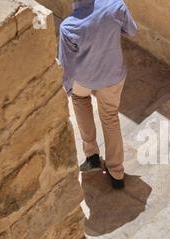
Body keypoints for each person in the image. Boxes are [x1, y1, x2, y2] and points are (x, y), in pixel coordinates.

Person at [58, 0, 138, 189]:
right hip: (112, 75)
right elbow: (132, 30)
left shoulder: (68, 27)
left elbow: (66, 65)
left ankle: (92, 155)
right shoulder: (115, 6)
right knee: (110, 117)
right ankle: (116, 172)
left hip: (85, 79)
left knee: (79, 98)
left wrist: (68, 89)